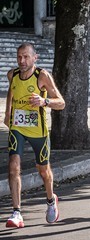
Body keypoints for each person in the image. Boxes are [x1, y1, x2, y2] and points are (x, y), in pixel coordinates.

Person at [4, 43, 65, 228]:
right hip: (18, 128)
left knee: (44, 171)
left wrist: (44, 101)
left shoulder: (42, 76)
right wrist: (8, 113)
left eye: (26, 57)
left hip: (38, 131)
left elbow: (61, 103)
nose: (22, 61)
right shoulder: (12, 75)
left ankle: (50, 200)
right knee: (13, 167)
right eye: (19, 57)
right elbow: (11, 91)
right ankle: (16, 213)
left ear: (34, 58)